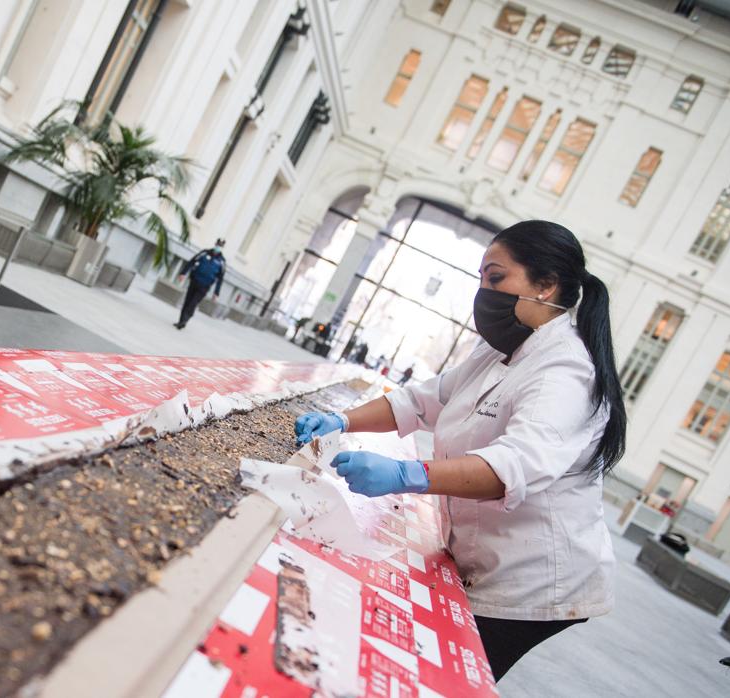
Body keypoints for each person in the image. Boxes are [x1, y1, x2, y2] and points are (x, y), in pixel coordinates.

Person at [293, 220, 626, 681]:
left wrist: (406, 474)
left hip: (531, 579)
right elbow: (422, 399)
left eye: (496, 278)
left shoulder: (567, 370)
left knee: (440, 678)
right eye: (482, 279)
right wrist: (342, 420)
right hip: (485, 552)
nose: (484, 292)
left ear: (546, 285)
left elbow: (512, 466)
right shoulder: (500, 350)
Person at [174, 238, 226, 329]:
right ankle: (181, 321)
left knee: (193, 303)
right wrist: (183, 273)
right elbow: (192, 262)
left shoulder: (222, 261)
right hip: (194, 280)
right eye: (218, 244)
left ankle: (185, 320)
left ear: (222, 247)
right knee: (188, 301)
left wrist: (216, 293)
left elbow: (220, 278)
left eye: (220, 246)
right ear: (215, 244)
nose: (218, 247)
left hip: (205, 286)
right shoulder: (205, 253)